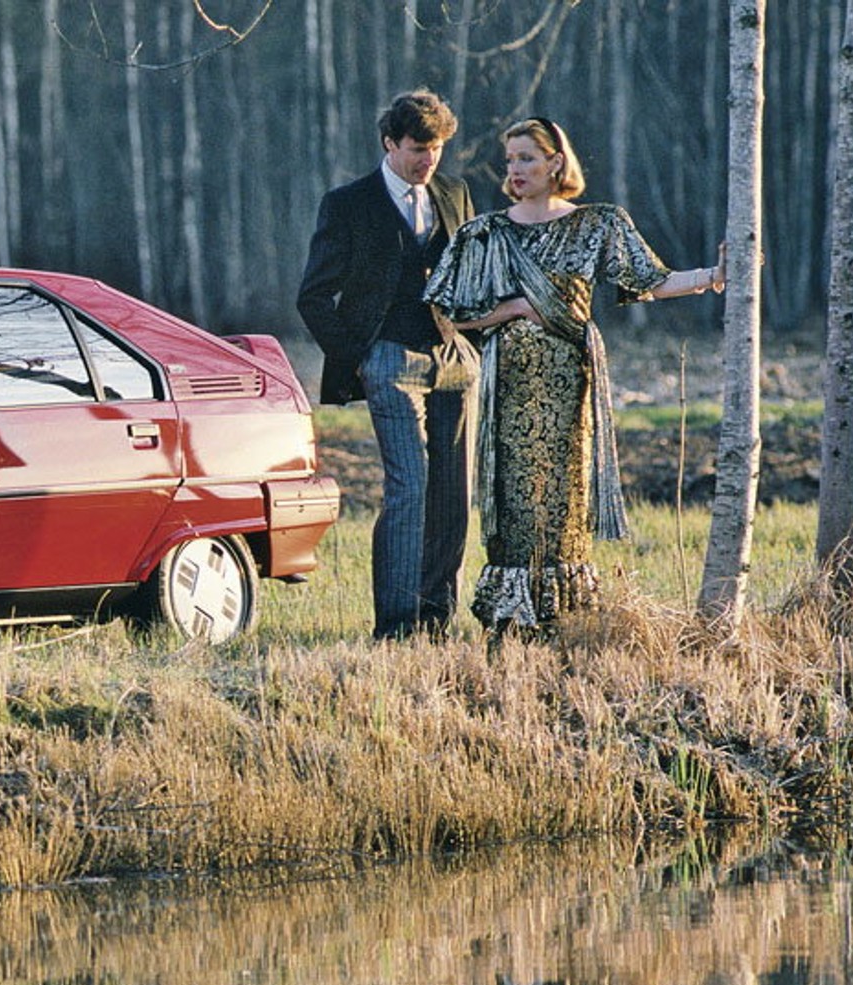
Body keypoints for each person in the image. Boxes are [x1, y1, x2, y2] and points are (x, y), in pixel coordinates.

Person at [422, 117, 725, 634]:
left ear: (555, 162)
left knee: (566, 497)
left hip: (570, 384)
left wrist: (714, 277)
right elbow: (449, 307)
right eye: (510, 160)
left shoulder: (596, 224)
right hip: (510, 387)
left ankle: (564, 616)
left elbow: (651, 279)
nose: (515, 169)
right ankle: (511, 619)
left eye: (526, 158)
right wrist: (516, 308)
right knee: (515, 499)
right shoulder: (487, 233)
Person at [298, 90, 480, 641]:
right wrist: (359, 358)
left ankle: (437, 621)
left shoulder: (454, 192)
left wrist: (474, 345)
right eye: (419, 148)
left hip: (453, 358)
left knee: (454, 493)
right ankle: (398, 626)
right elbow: (313, 296)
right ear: (389, 143)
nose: (429, 159)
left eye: (438, 148)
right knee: (410, 488)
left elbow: (473, 277)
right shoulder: (348, 203)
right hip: (388, 359)